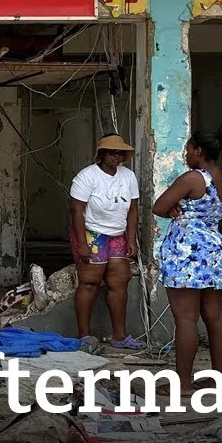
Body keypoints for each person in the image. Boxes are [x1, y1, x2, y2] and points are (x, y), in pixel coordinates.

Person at [151, 125, 222, 397]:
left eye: (188, 149)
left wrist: (172, 207)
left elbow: (158, 206)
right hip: (214, 249)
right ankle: (219, 380)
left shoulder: (193, 178)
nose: (185, 153)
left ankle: (182, 383)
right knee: (215, 317)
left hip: (187, 250)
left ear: (198, 151)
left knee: (186, 318)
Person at [68, 133, 144, 351]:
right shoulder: (87, 176)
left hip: (117, 234)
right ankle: (84, 336)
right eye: (112, 152)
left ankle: (119, 336)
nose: (117, 156)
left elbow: (133, 210)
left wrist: (132, 239)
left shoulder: (128, 177)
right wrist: (82, 243)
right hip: (92, 233)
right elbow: (77, 210)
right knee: (90, 282)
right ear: (101, 154)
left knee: (119, 283)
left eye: (120, 153)